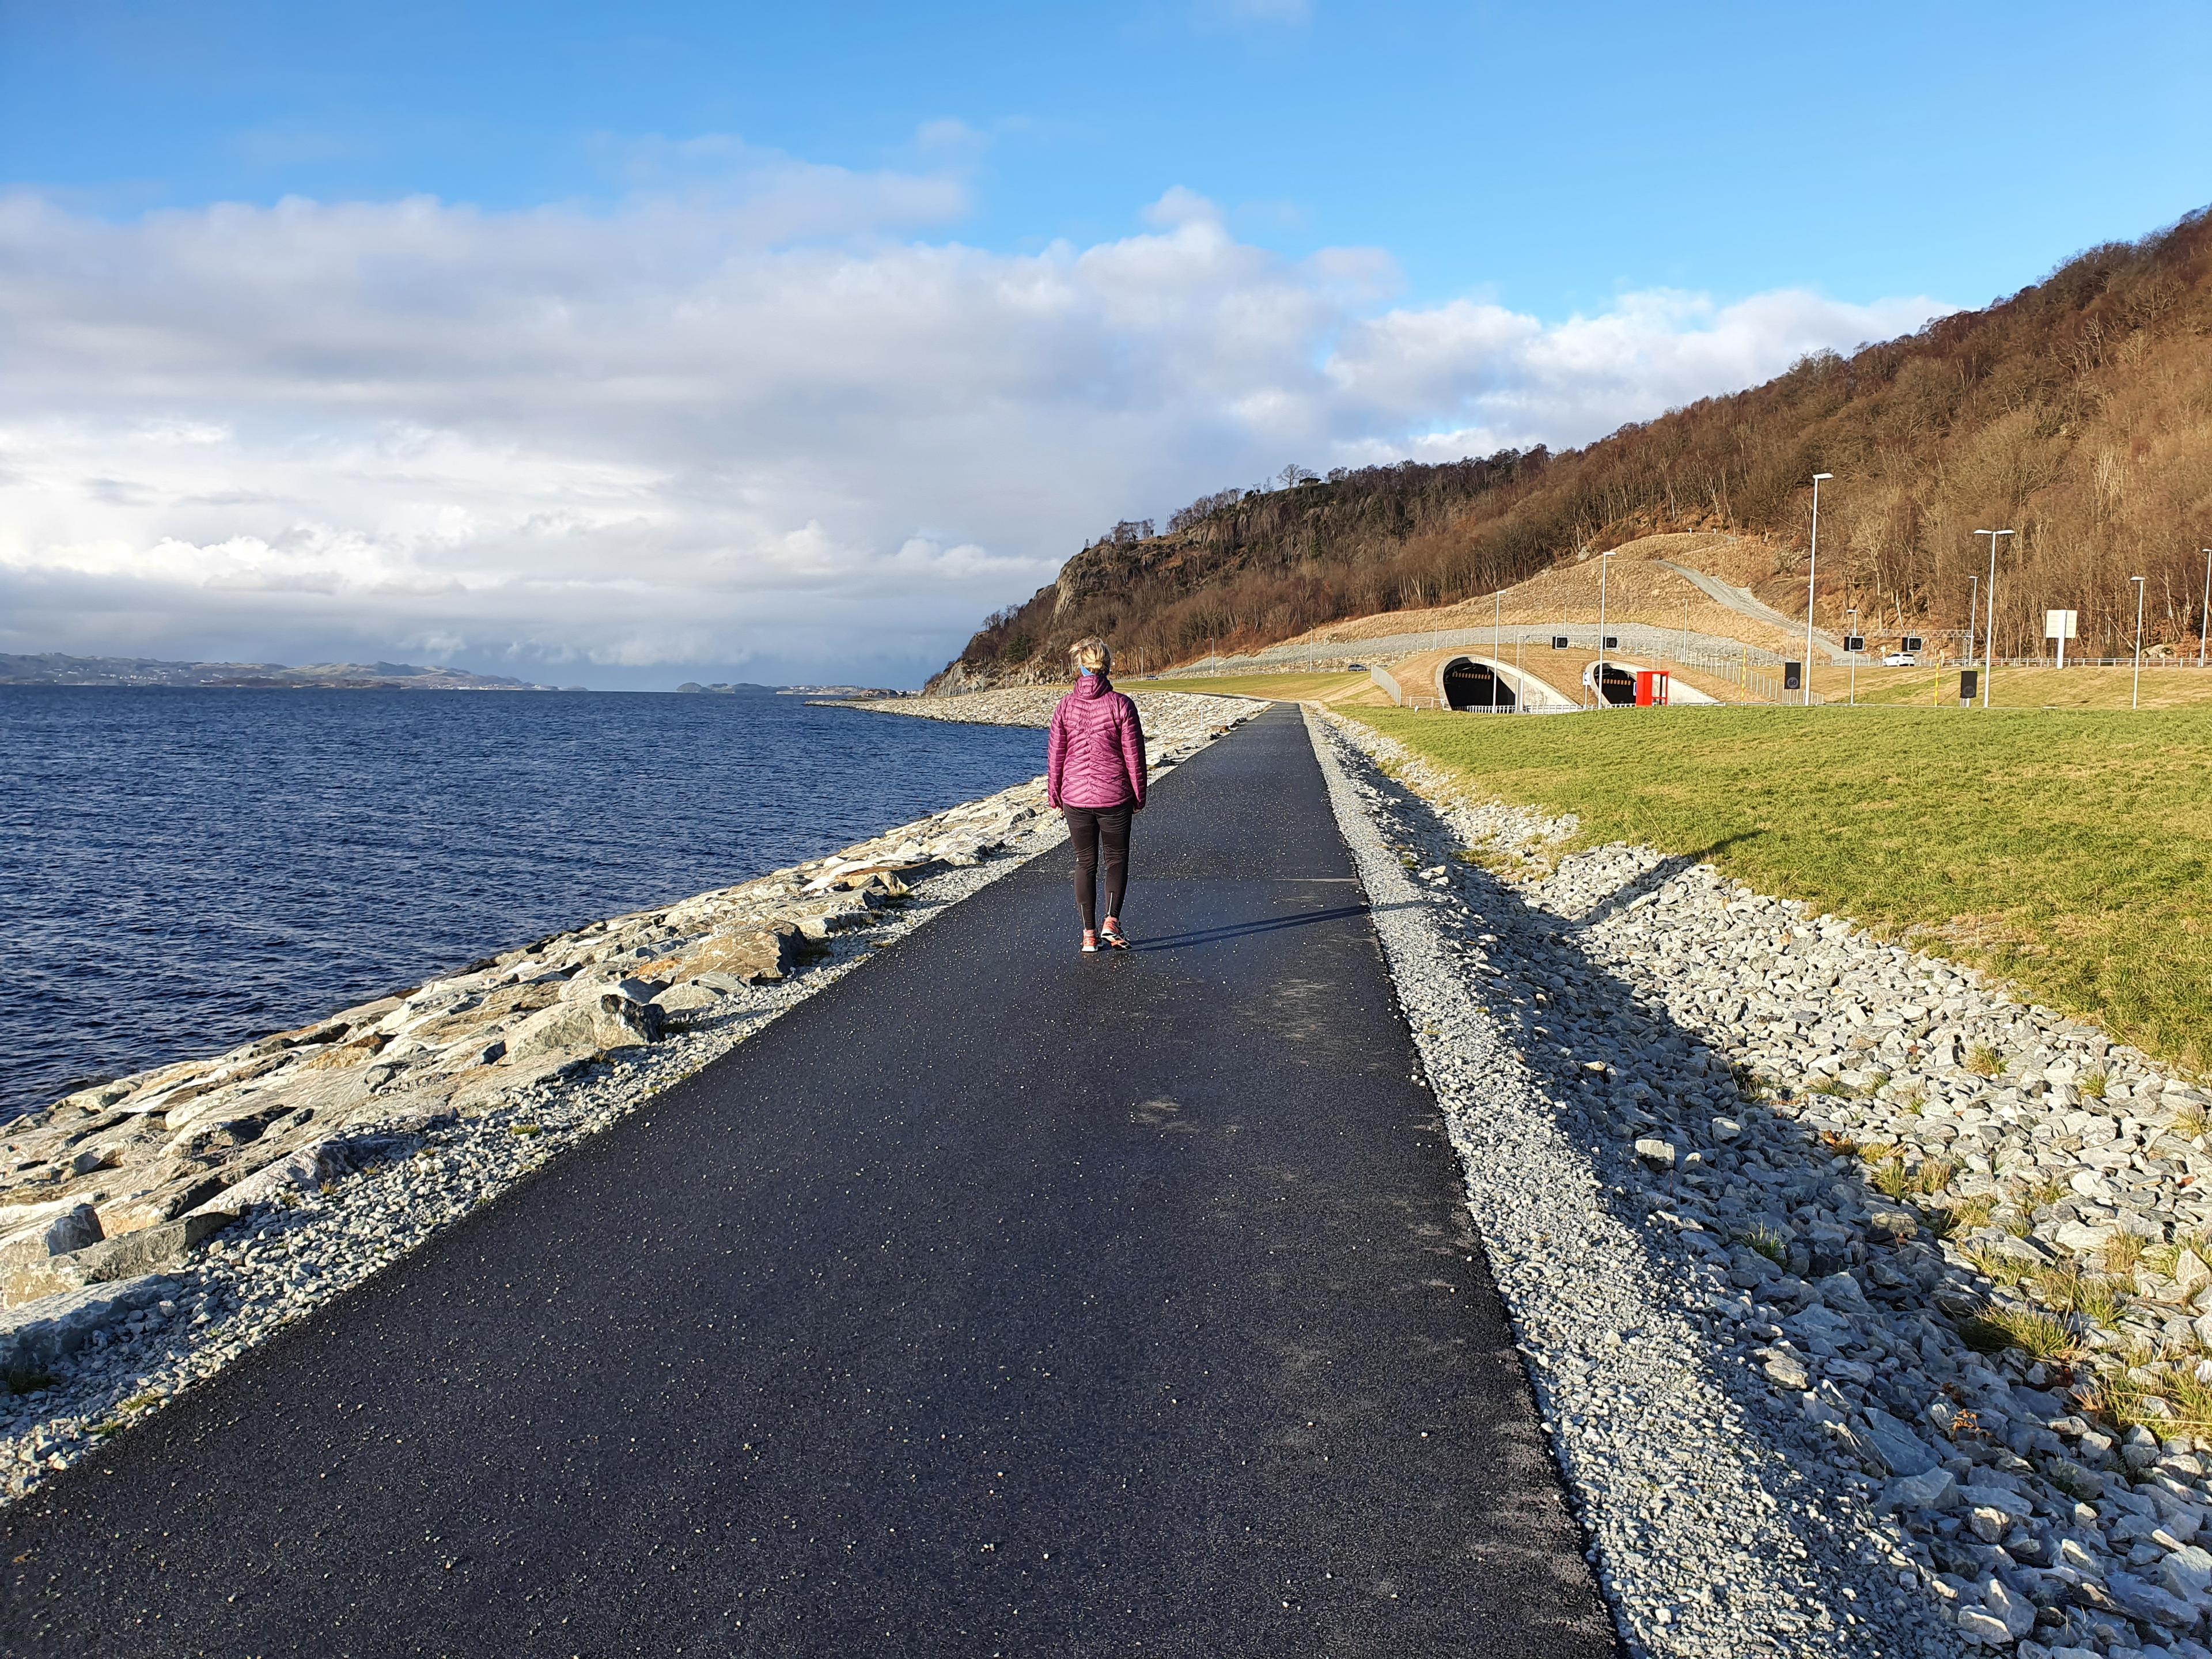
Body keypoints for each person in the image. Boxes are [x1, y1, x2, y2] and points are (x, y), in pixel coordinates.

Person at [1045, 637, 1146, 953]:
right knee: (1116, 859)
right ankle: (1111, 921)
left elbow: (1056, 755)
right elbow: (1134, 756)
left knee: (1085, 862)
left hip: (1075, 797)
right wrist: (1139, 795)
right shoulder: (1121, 705)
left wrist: (1055, 794)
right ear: (1107, 666)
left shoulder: (1065, 706)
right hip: (1114, 796)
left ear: (1081, 666)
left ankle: (1089, 935)